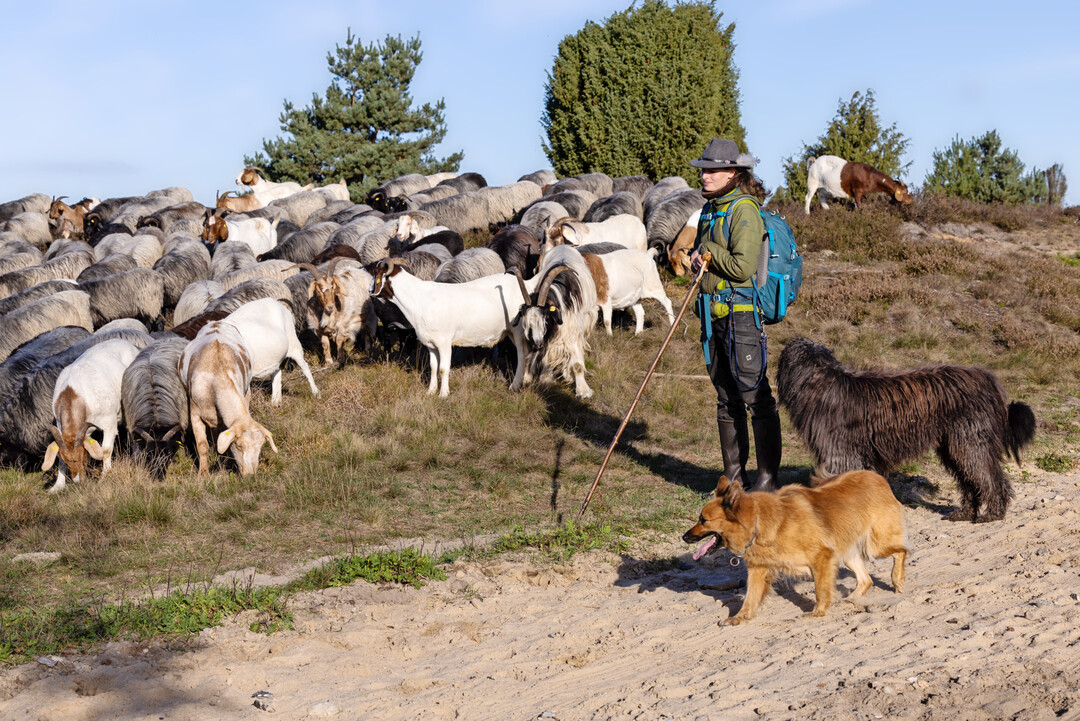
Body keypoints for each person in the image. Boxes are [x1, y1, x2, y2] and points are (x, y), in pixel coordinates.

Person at [688, 138, 782, 492]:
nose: (705, 176)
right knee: (726, 398)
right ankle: (734, 477)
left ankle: (769, 480)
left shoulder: (744, 210)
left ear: (732, 172)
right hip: (712, 319)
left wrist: (708, 250)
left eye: (711, 170)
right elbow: (707, 259)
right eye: (703, 170)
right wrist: (697, 257)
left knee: (755, 397)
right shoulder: (710, 210)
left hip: (741, 318)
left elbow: (743, 268)